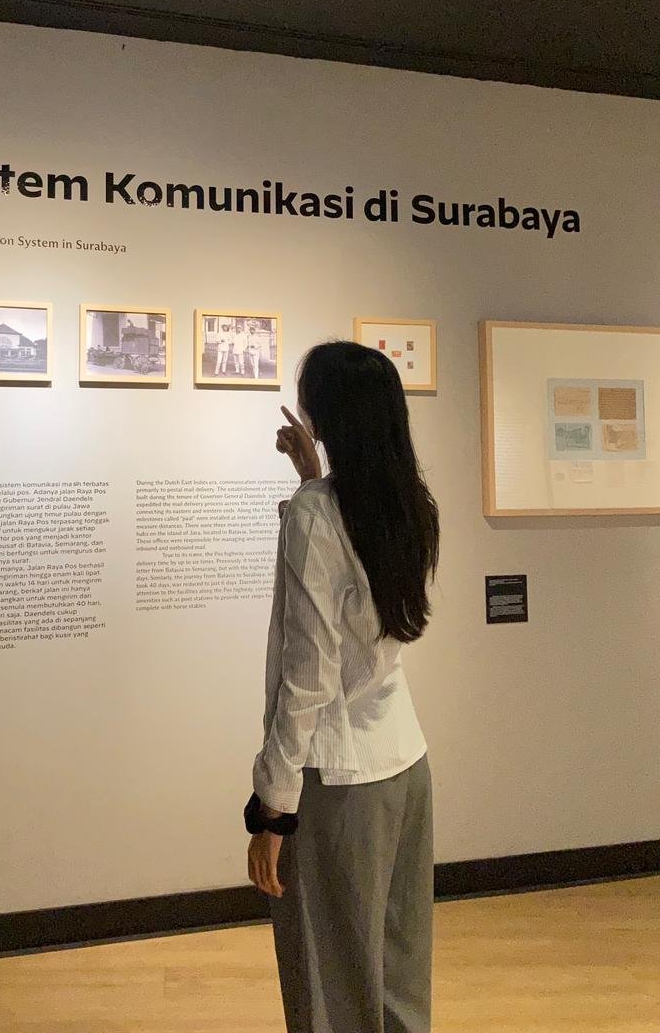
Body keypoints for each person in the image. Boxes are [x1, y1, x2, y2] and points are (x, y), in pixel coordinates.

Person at [246, 341, 439, 1033]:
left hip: (336, 782)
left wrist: (272, 810)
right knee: (398, 981)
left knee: (330, 990)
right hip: (405, 766)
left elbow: (309, 679)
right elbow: (354, 583)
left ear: (326, 417)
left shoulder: (315, 514)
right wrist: (312, 477)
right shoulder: (409, 503)